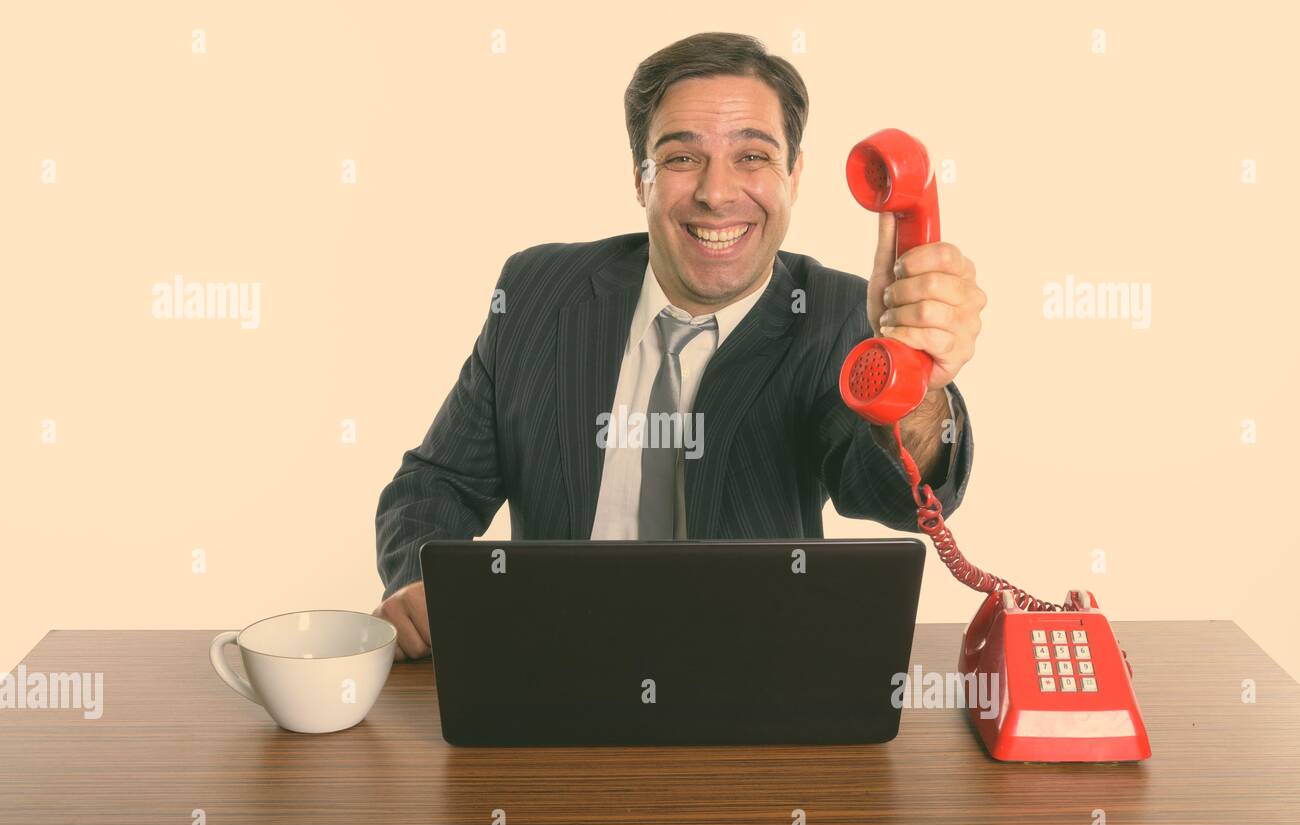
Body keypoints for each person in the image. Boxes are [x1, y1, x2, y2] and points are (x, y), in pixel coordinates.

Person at [374, 32, 985, 660]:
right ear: (640, 178)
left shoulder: (836, 314)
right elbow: (440, 480)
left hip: (758, 678)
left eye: (752, 156)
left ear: (793, 176)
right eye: (681, 158)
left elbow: (893, 499)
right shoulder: (536, 293)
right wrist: (420, 580)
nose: (716, 194)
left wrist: (917, 380)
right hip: (552, 672)